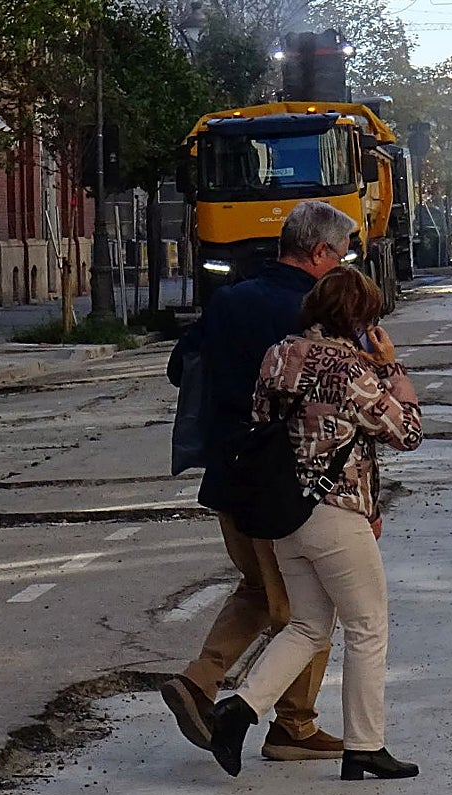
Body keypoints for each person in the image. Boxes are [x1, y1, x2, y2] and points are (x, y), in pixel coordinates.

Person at [161, 201, 359, 763]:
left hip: (228, 477)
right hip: (285, 489)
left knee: (257, 587)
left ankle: (200, 680)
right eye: (340, 256)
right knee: (309, 606)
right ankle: (292, 726)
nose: (342, 265)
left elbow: (182, 367)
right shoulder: (311, 314)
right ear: (319, 252)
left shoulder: (230, 299)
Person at [208, 265, 424, 780]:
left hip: (284, 510)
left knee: (307, 624)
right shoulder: (352, 369)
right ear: (359, 318)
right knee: (367, 626)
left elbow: (262, 418)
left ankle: (238, 708)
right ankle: (365, 746)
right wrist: (392, 368)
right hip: (336, 511)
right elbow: (407, 431)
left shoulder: (279, 355)